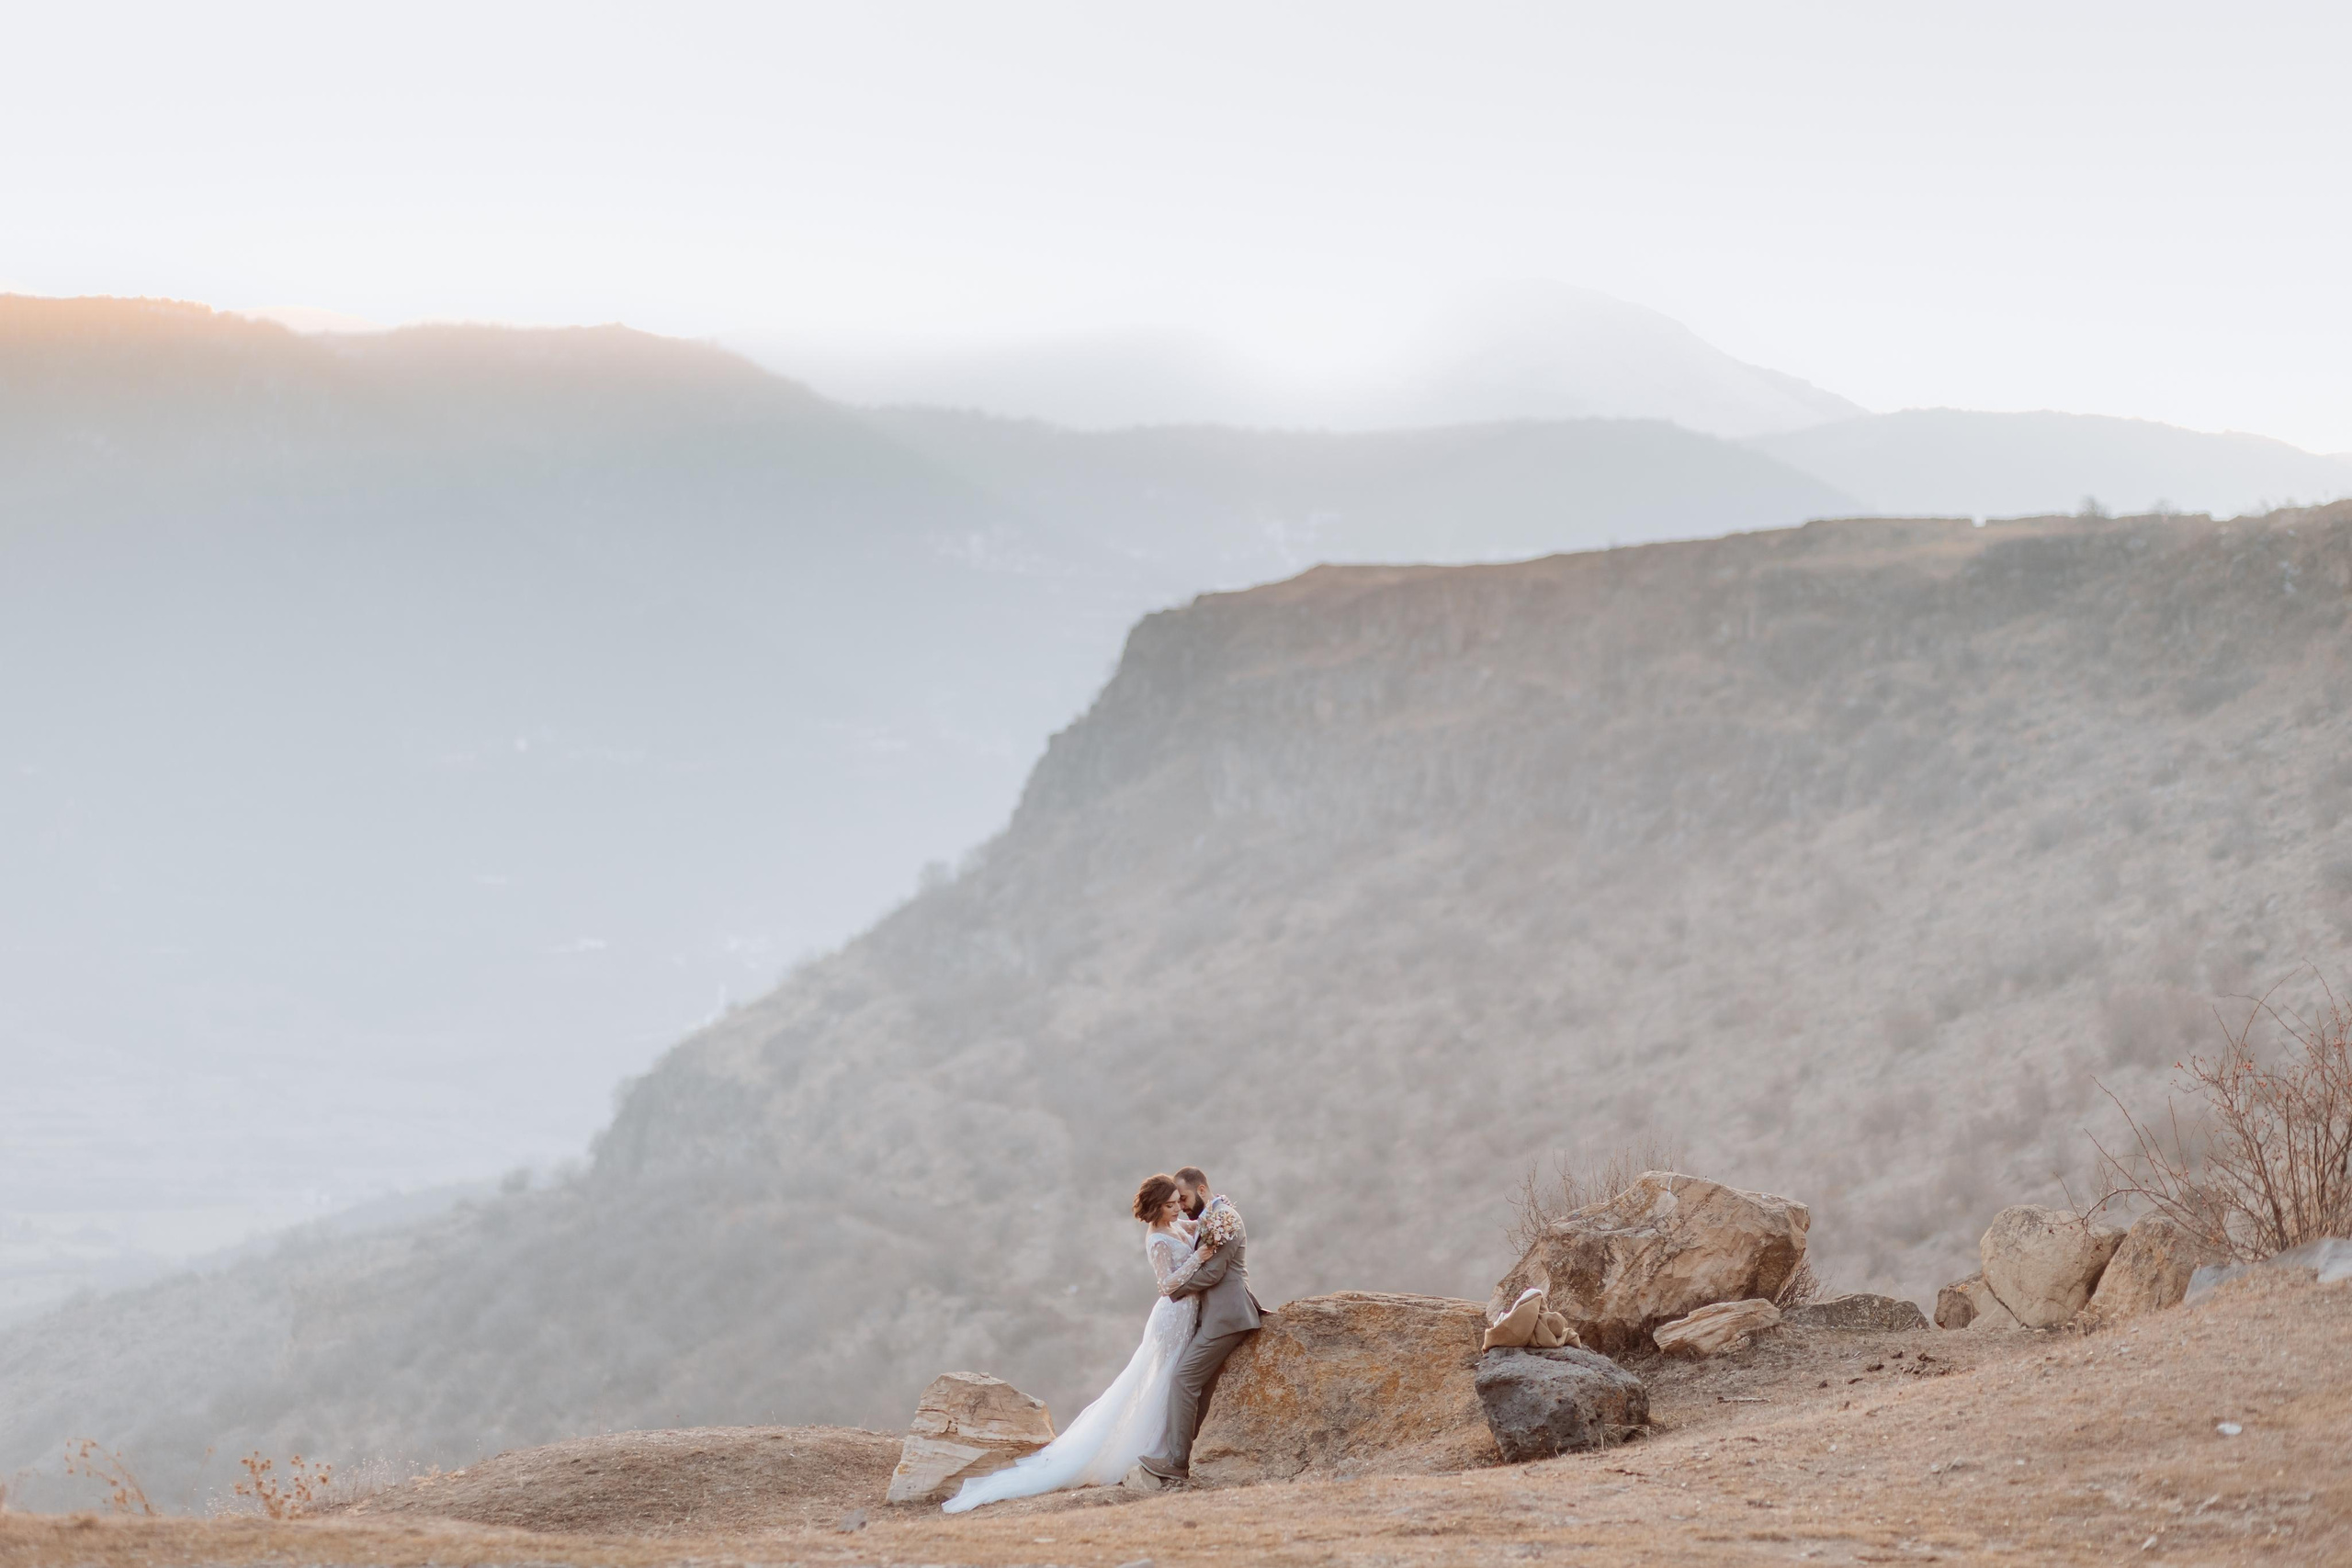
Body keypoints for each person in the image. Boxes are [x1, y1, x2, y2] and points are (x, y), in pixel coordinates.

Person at [941, 1172, 1216, 1511]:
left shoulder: (1176, 1227)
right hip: (1171, 1319)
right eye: (1171, 1206)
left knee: (1168, 1381)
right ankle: (1156, 1451)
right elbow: (1166, 1285)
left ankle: (1166, 1447)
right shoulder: (1157, 1239)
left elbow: (1202, 1225)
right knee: (1161, 1381)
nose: (1178, 1211)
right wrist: (1197, 1259)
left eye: (1178, 1203)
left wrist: (1220, 1212)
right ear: (1156, 1209)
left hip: (1187, 1316)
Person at [1127, 1166, 1263, 1490]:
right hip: (1209, 1314)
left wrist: (1175, 1290)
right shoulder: (1209, 1217)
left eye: (1184, 1198)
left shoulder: (1225, 1218)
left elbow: (1214, 1273)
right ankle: (1187, 1452)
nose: (1182, 1207)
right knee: (1186, 1379)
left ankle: (1176, 1462)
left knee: (1183, 1379)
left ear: (1201, 1190)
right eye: (1175, 1202)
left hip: (1226, 1315)